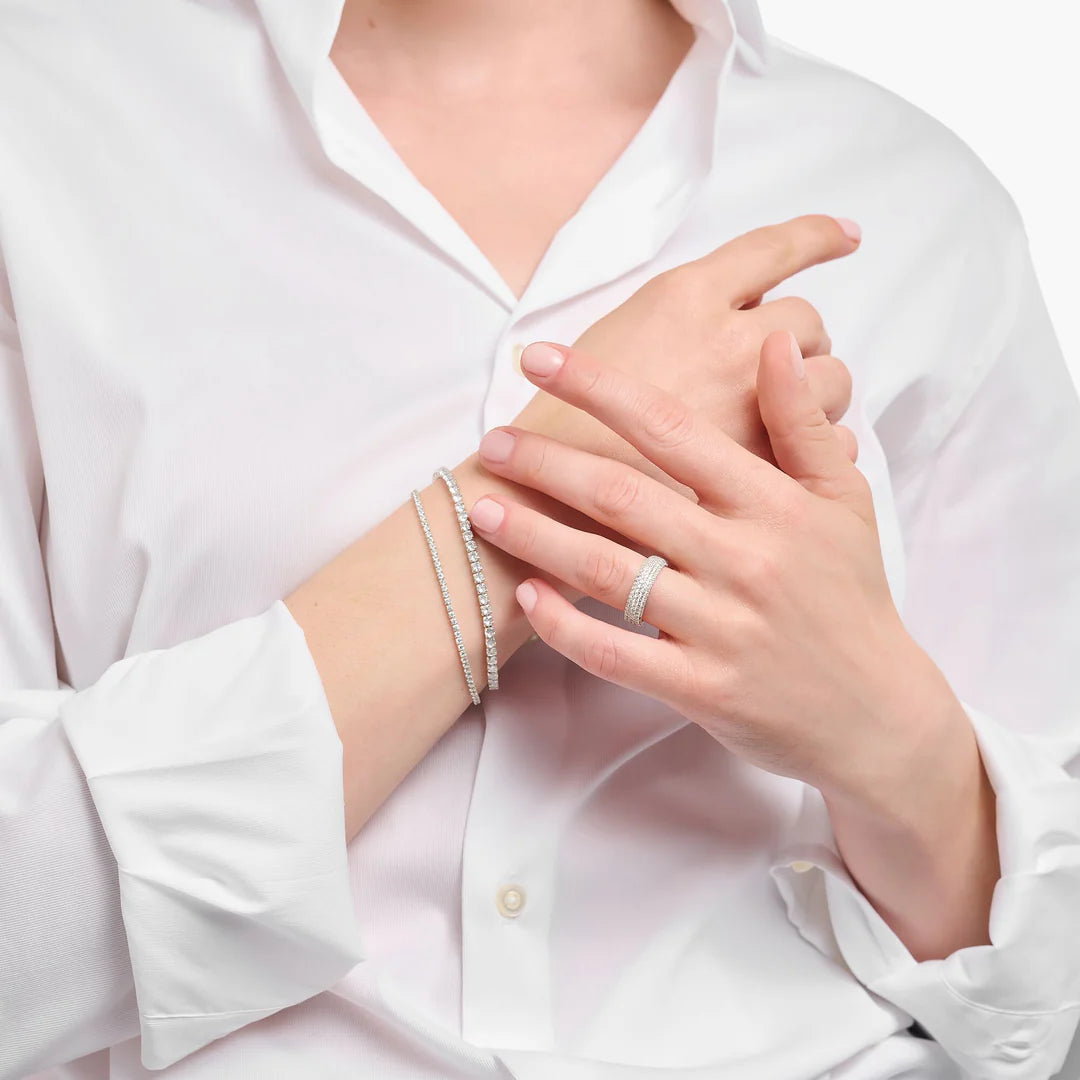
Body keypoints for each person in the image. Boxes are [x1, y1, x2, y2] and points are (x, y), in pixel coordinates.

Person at [1, 1, 1077, 1078]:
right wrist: (531, 515)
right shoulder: (44, 130)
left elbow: (1040, 1011)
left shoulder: (920, 206)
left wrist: (888, 738)